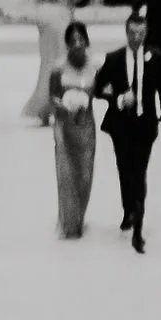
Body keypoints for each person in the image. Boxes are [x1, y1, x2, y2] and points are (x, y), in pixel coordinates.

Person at [91, 8, 160, 251]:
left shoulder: (155, 57)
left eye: (141, 33)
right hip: (121, 125)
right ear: (126, 33)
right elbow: (98, 89)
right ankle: (128, 209)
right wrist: (119, 99)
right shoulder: (114, 59)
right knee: (125, 168)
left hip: (146, 123)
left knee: (140, 171)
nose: (136, 38)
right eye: (132, 33)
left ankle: (138, 217)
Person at [47, 16, 99, 237]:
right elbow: (52, 97)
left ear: (86, 41)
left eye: (81, 39)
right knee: (66, 173)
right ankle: (69, 223)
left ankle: (80, 215)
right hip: (64, 125)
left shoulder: (95, 66)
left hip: (86, 126)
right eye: (73, 40)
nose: (77, 44)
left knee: (85, 174)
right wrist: (66, 107)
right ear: (67, 43)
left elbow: (100, 91)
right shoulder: (58, 68)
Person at [26, 0, 81, 122]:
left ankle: (44, 106)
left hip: (44, 16)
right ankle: (58, 103)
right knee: (61, 62)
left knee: (47, 62)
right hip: (60, 15)